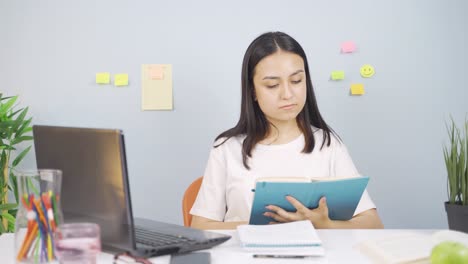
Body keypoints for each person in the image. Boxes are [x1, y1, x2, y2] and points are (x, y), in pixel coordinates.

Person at [190, 32, 384, 230]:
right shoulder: (227, 148)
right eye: (272, 85)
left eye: (297, 81)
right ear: (252, 91)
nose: (288, 94)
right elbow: (199, 226)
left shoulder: (327, 143)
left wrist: (324, 224)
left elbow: (373, 224)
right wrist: (264, 226)